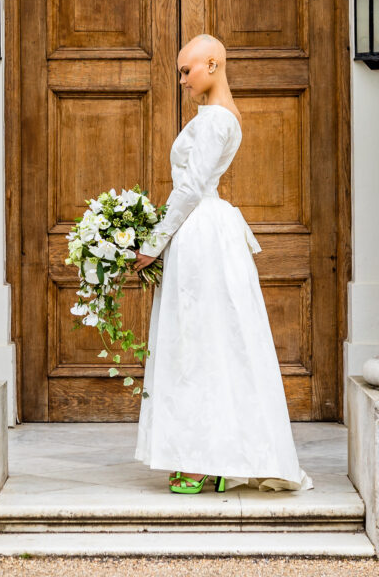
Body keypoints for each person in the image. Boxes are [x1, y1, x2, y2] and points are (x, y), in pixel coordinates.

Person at [133, 33, 314, 494]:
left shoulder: (216, 121)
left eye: (186, 70)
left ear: (213, 65)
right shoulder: (214, 117)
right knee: (202, 338)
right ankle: (206, 453)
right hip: (202, 232)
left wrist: (153, 242)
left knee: (201, 339)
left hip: (201, 234)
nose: (181, 80)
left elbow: (191, 188)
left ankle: (204, 457)